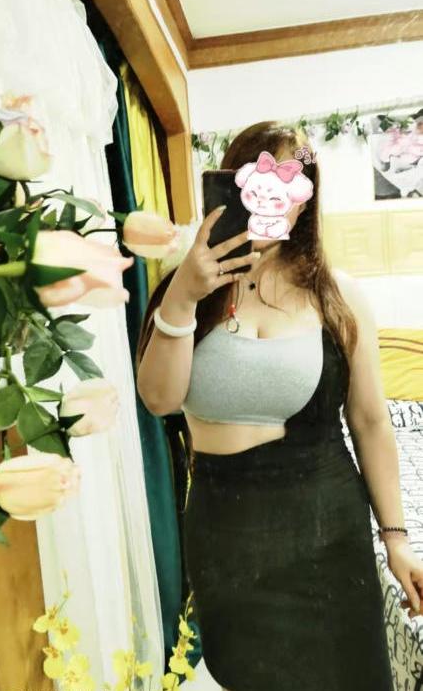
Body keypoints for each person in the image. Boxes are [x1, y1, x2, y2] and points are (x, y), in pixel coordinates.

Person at [136, 122, 423, 691]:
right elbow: (159, 399)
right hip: (228, 537)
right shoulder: (184, 286)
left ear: (305, 200)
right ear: (229, 186)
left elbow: (370, 421)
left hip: (329, 533)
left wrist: (396, 540)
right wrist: (185, 294)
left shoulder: (338, 296)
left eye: (289, 185)